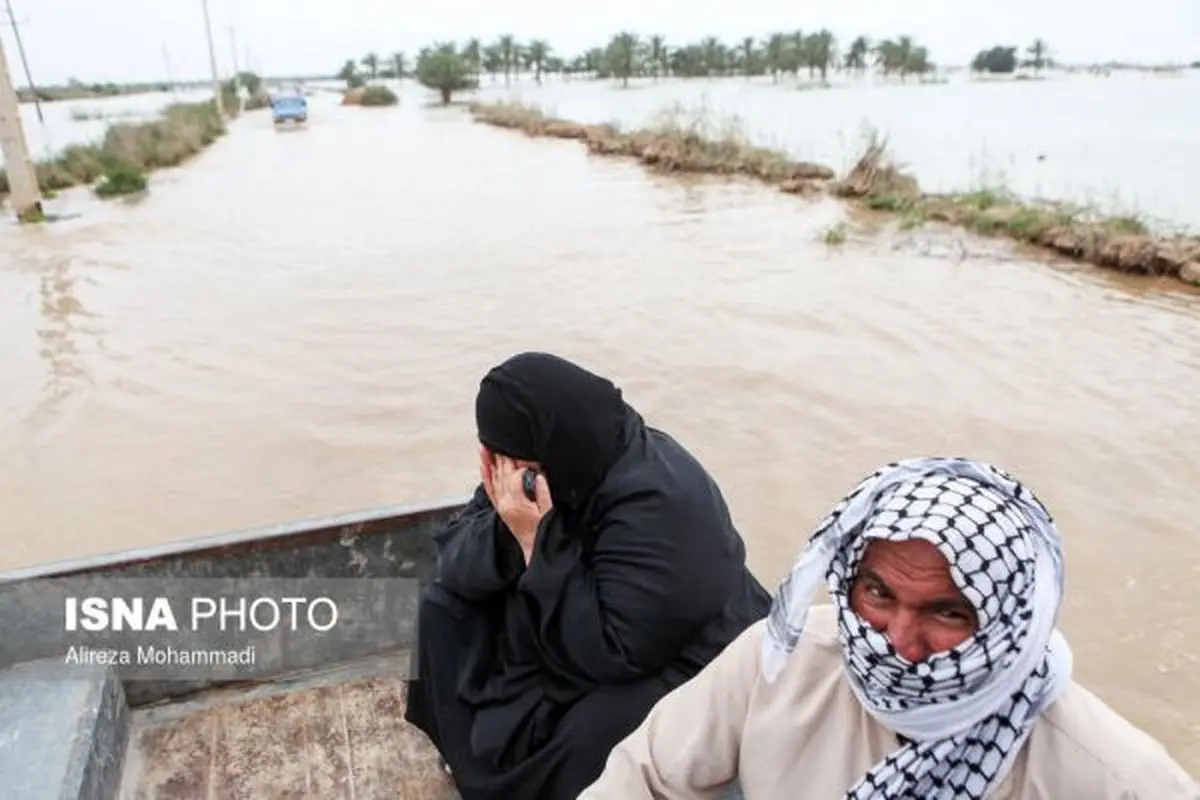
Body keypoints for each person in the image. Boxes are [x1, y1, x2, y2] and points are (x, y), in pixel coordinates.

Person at [580, 456, 1199, 799]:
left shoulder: (1111, 776)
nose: (899, 642)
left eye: (947, 612)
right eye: (878, 593)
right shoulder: (782, 664)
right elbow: (643, 778)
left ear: (1010, 622)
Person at [403, 351, 772, 800]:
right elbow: (455, 561)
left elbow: (613, 653)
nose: (501, 473)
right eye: (494, 460)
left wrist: (537, 542)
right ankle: (472, 765)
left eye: (509, 462)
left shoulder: (661, 502)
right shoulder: (552, 462)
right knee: (444, 609)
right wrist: (509, 528)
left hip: (690, 655)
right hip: (577, 611)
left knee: (598, 730)